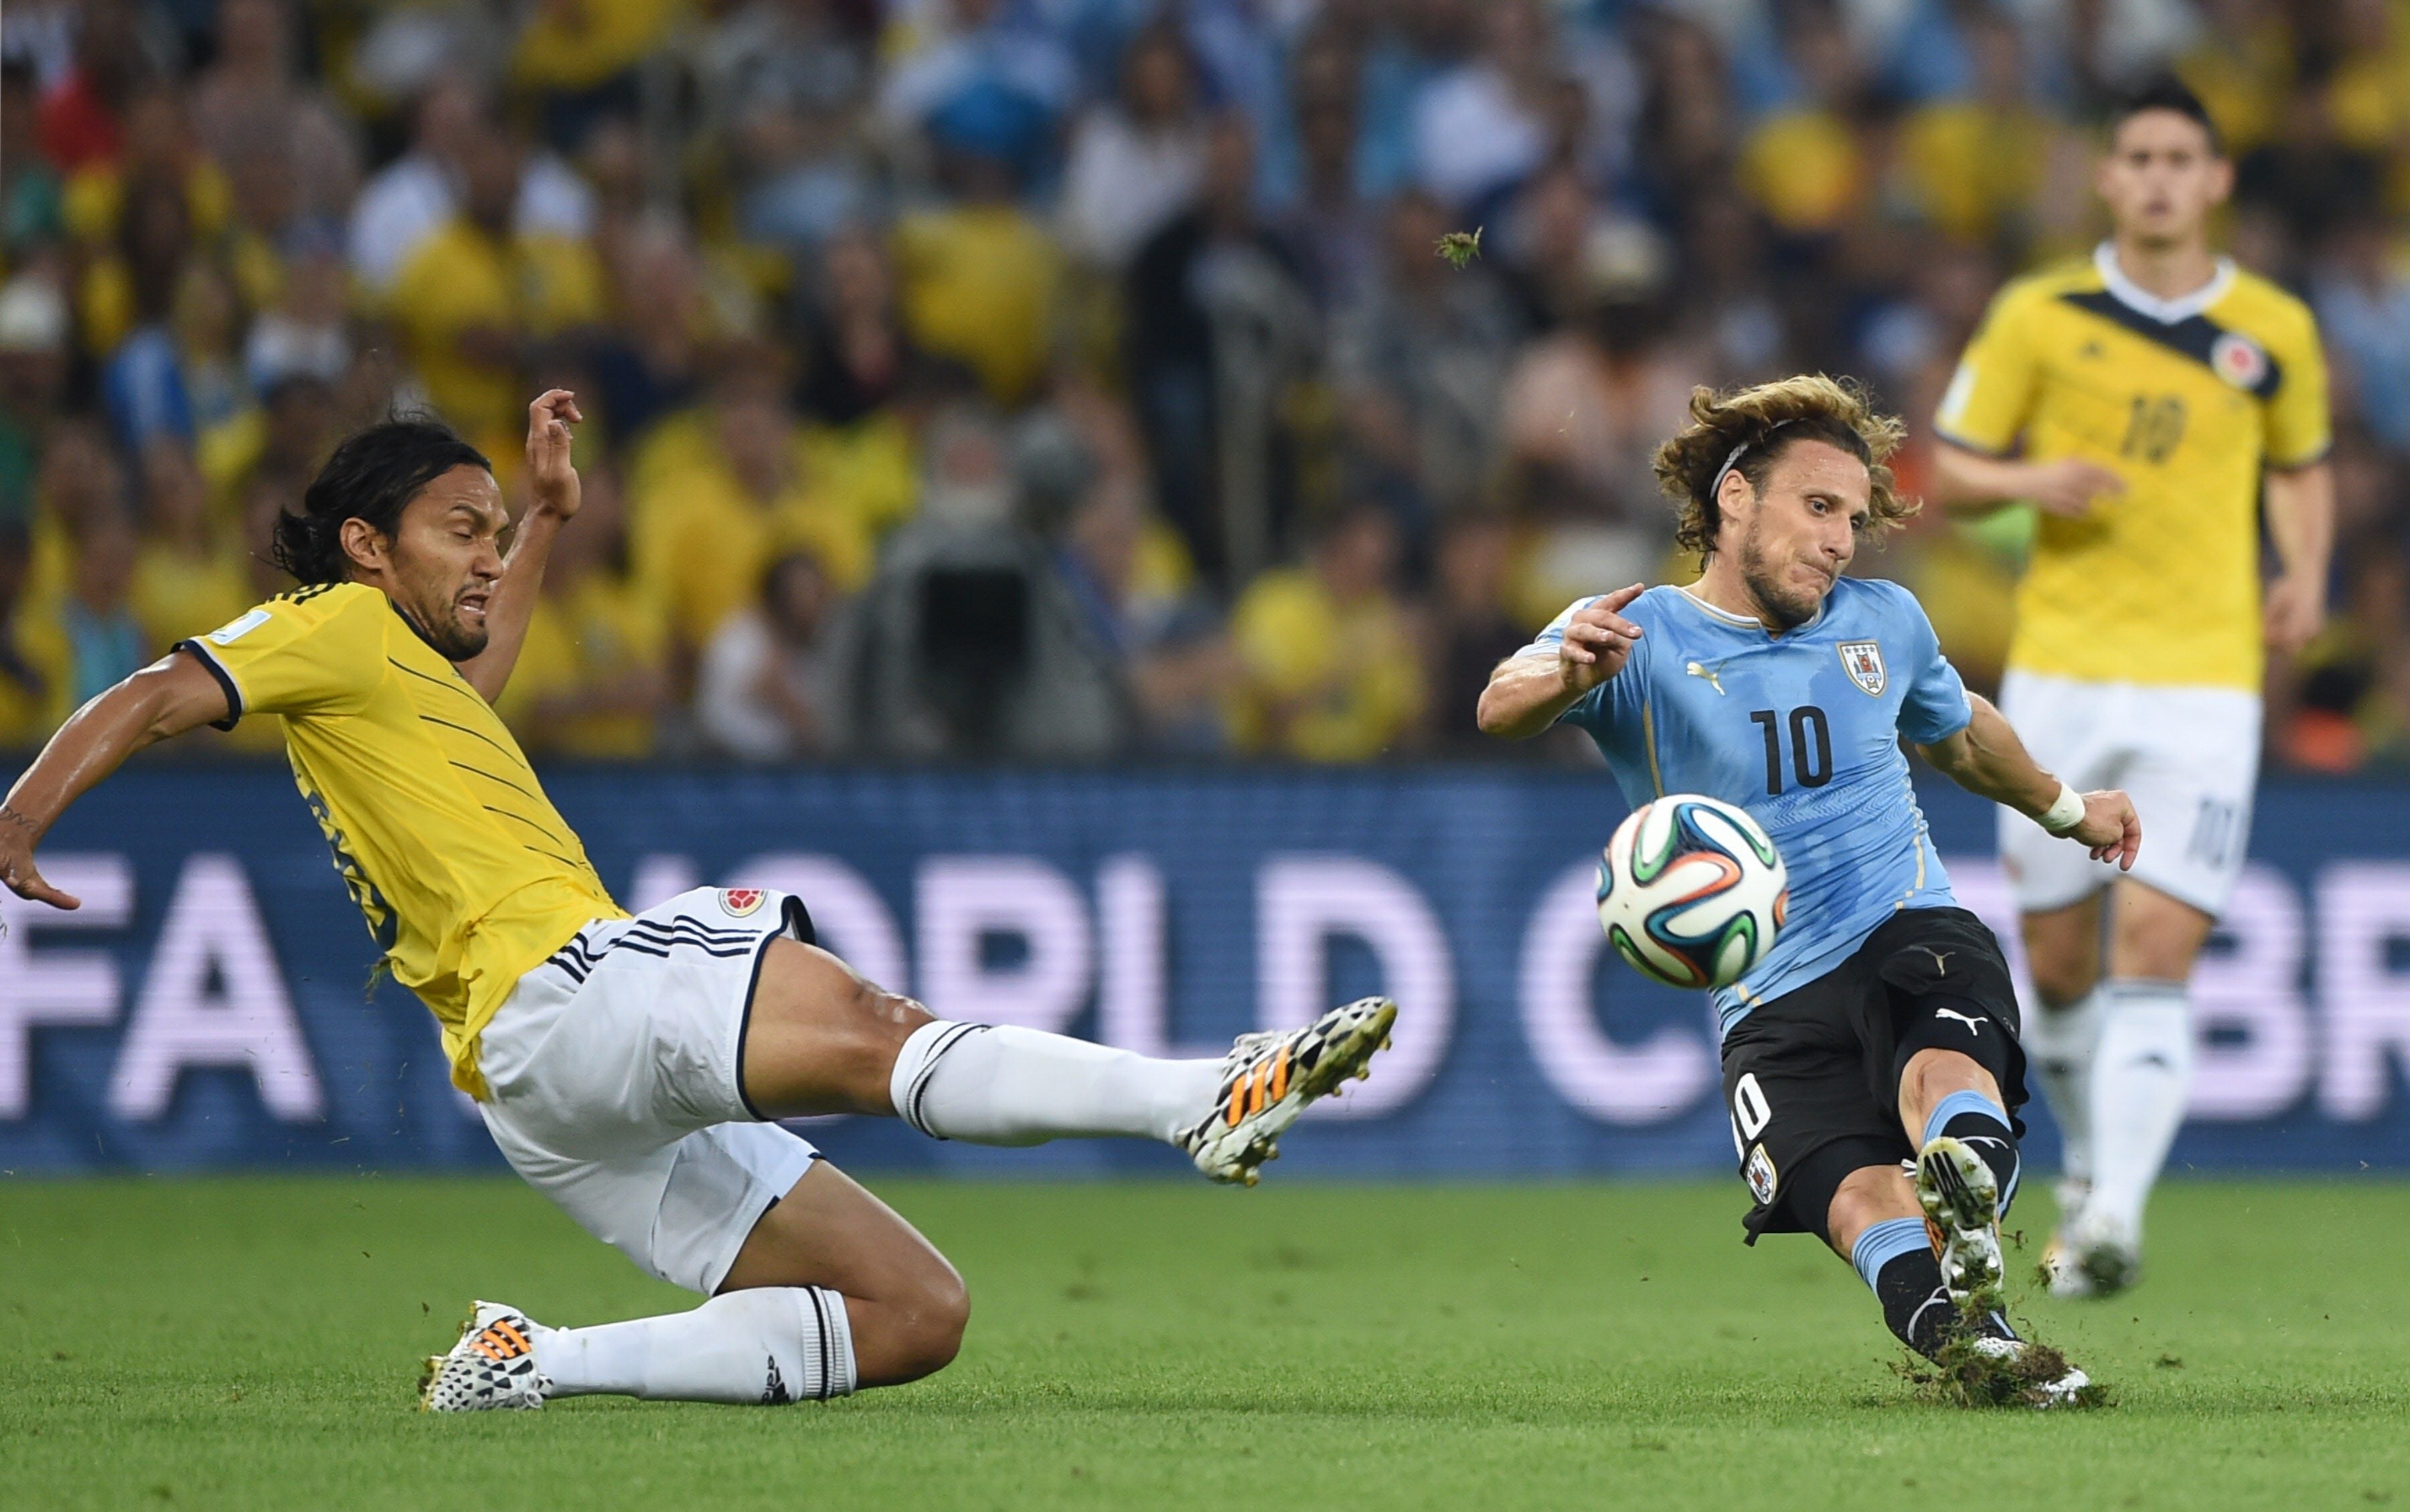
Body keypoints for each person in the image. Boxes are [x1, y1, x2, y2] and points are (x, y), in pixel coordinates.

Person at [0, 392, 1398, 1412]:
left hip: (534, 1089)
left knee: (913, 1310)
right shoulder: (332, 622)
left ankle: (531, 1359)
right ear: (364, 544)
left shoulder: (392, 673)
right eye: (461, 530)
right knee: (871, 1024)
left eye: (495, 531)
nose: (486, 556)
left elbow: (476, 680)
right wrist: (18, 814)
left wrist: (549, 520)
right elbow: (158, 691)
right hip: (566, 986)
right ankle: (1198, 1098)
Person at [1477, 375, 2140, 1403]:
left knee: (1940, 1072)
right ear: (1736, 497)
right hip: (1764, 998)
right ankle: (1990, 1349)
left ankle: (1963, 1184)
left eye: (1854, 521)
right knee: (1860, 1203)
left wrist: (2067, 809)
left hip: (1902, 924)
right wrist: (1565, 674)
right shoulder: (1634, 632)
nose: (1839, 542)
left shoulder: (1885, 621)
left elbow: (1962, 736)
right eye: (1819, 507)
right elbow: (1498, 705)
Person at [1929, 76, 2333, 1297]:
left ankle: (2113, 1221)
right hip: (2061, 672)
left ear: (2216, 181)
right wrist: (2033, 480)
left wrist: (2306, 568)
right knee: (2057, 969)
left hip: (2206, 683)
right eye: (2140, 158)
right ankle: (2091, 1172)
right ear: (2109, 178)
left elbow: (2299, 465)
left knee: (2156, 950)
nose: (2159, 178)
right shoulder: (2040, 312)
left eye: (2180, 159)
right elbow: (1950, 466)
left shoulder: (2274, 328)